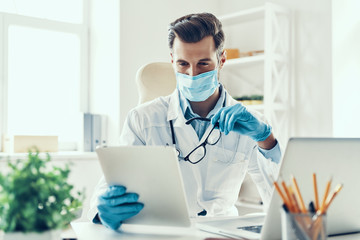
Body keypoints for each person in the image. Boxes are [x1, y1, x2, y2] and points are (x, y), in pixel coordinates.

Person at [88, 12, 281, 231]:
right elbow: (107, 191)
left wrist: (266, 140)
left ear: (222, 60)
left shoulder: (251, 123)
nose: (192, 74)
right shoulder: (142, 120)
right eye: (182, 64)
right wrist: (104, 209)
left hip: (222, 233)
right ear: (172, 61)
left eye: (203, 64)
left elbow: (281, 204)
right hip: (164, 232)